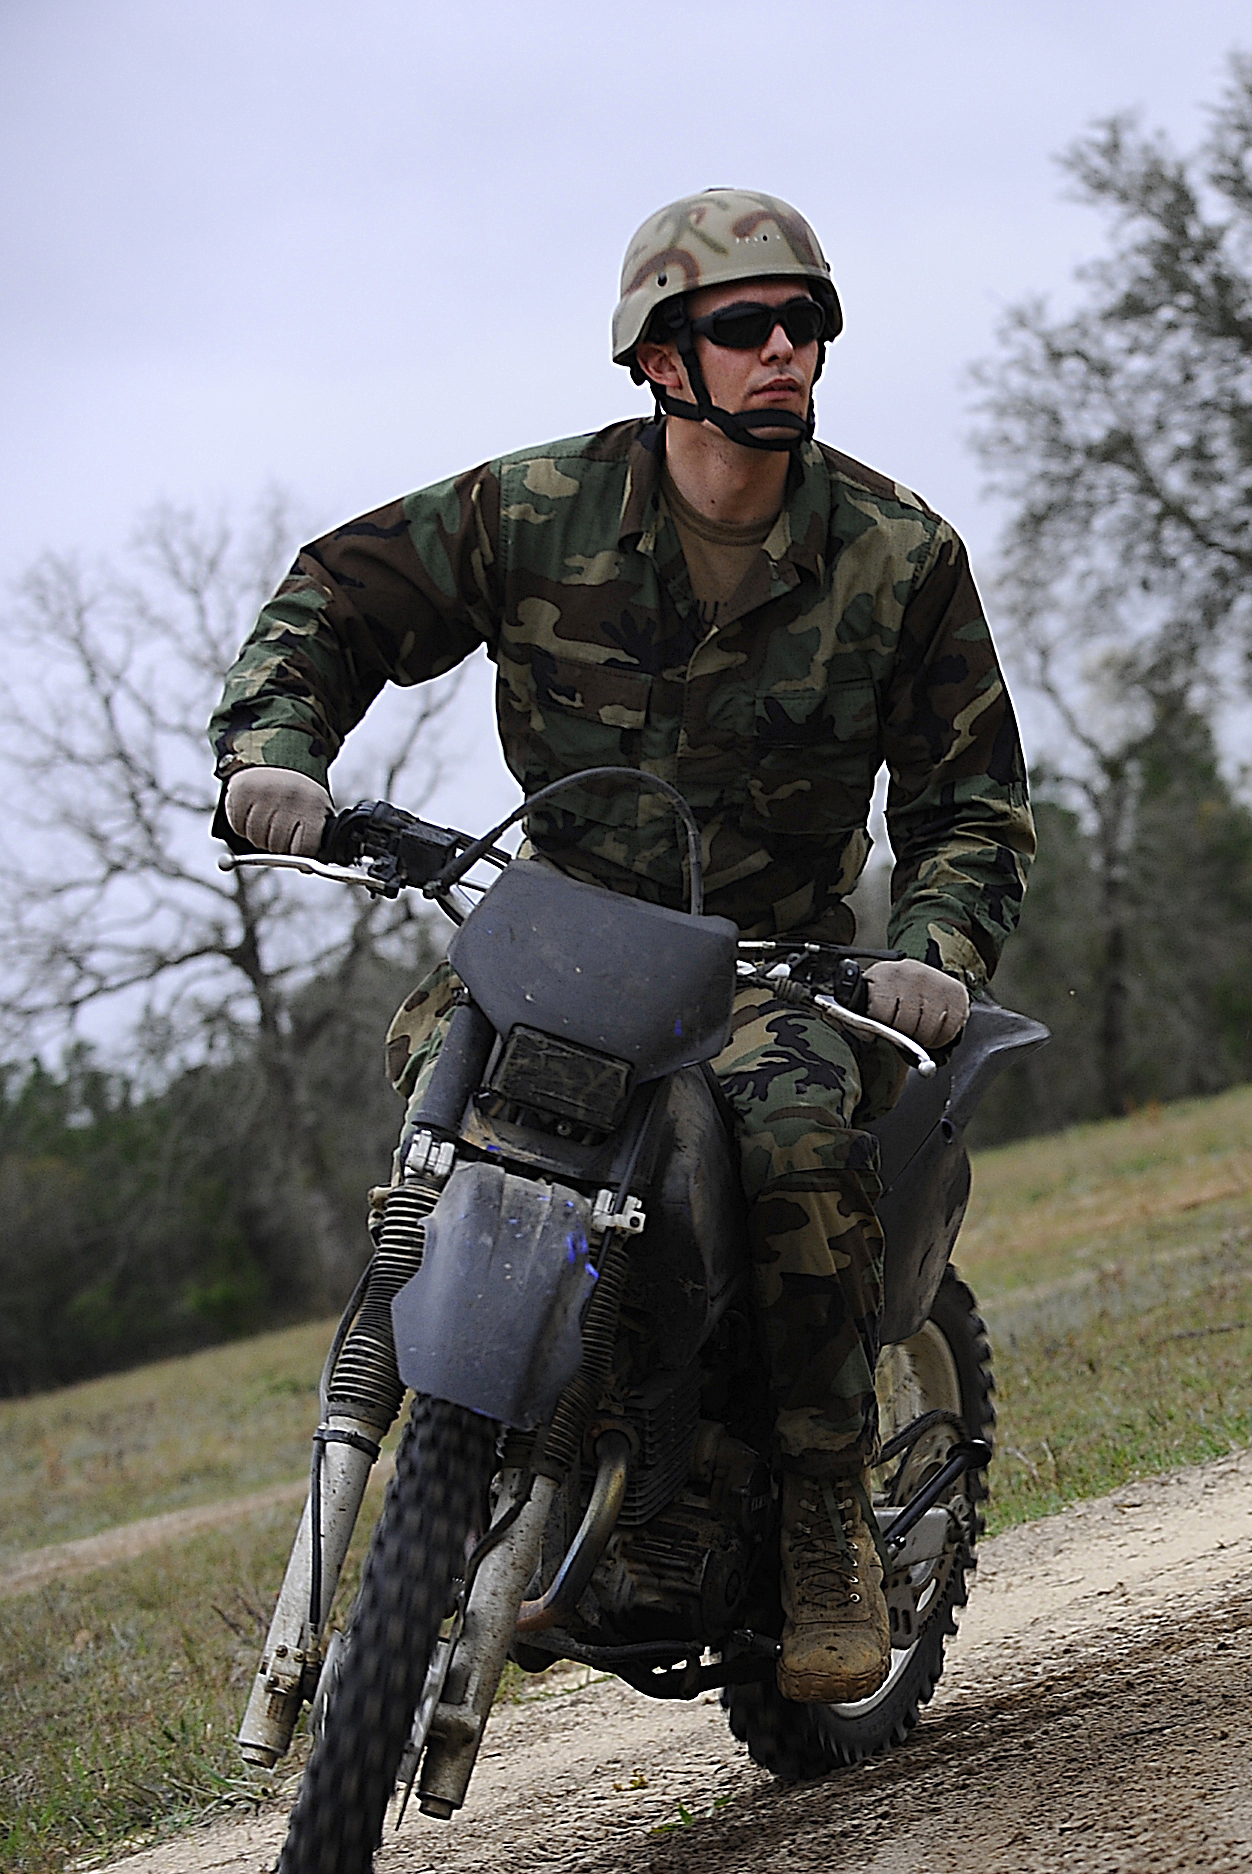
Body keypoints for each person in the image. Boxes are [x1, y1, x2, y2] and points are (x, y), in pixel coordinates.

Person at [208, 189, 1034, 1704]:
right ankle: (488, 1434)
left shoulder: (901, 556)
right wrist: (279, 753)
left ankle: (816, 1514)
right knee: (436, 1120)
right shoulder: (533, 510)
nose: (786, 348)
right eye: (746, 326)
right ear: (663, 358)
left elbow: (972, 800)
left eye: (809, 322)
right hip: (559, 936)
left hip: (772, 968)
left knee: (795, 1144)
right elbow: (335, 599)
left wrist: (936, 950)